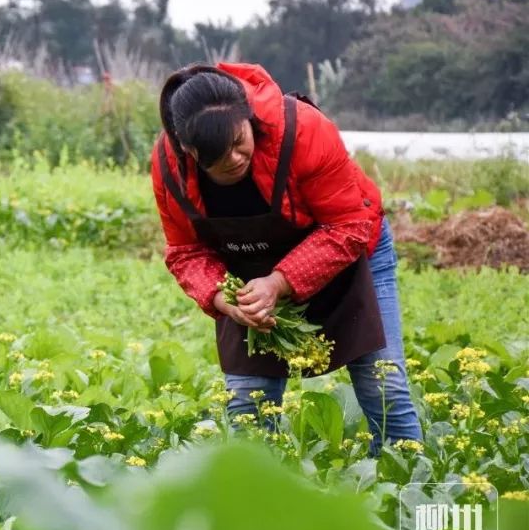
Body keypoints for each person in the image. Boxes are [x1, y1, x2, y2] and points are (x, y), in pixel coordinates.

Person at [150, 62, 422, 455]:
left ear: (247, 117)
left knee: (384, 386)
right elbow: (185, 251)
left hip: (350, 254)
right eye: (216, 154)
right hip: (249, 279)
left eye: (238, 139)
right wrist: (223, 300)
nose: (234, 157)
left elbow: (348, 224)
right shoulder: (168, 168)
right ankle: (262, 504)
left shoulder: (301, 130)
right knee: (248, 402)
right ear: (189, 151)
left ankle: (409, 490)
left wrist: (278, 283)